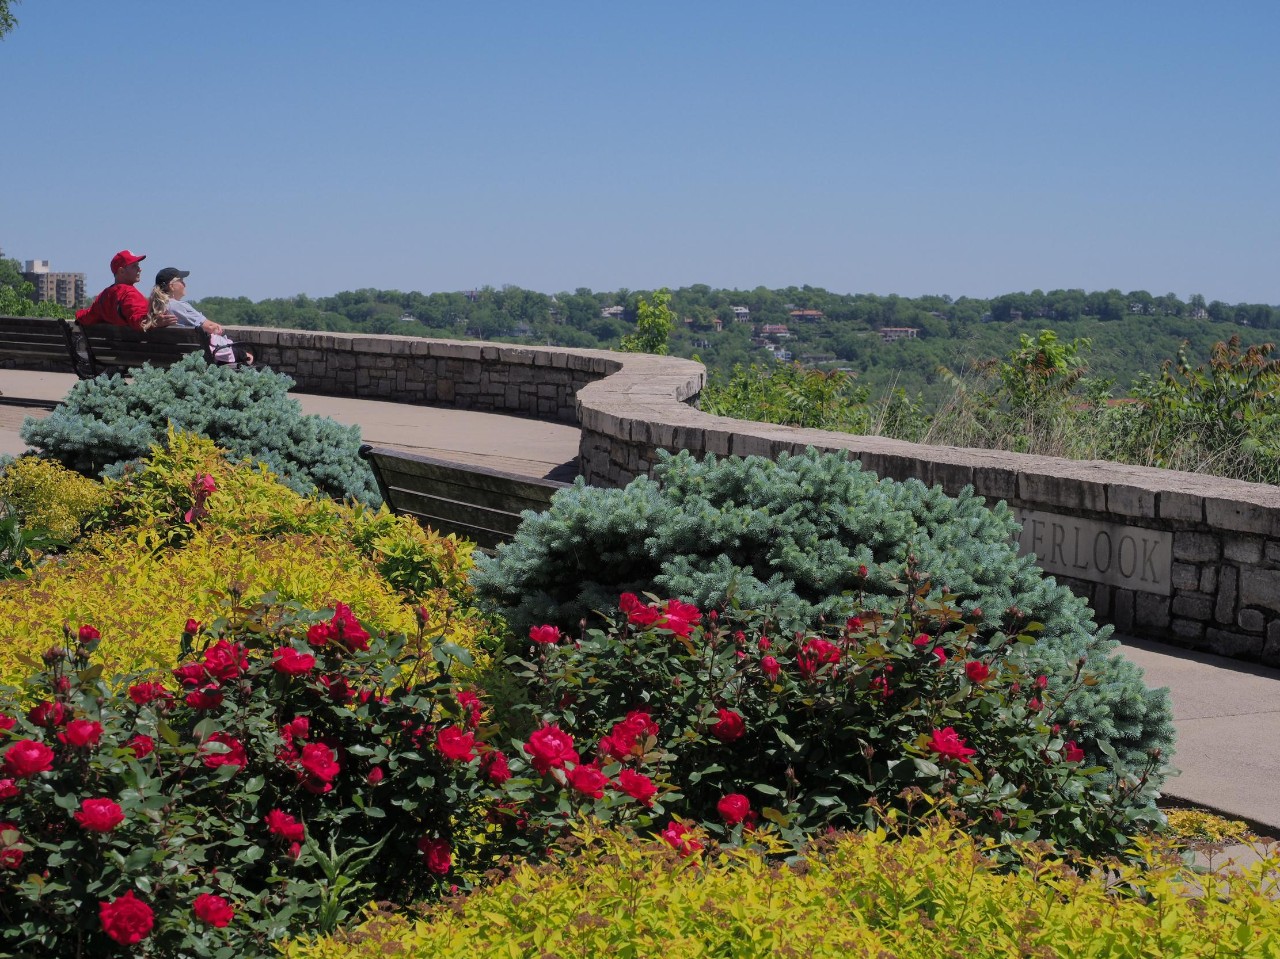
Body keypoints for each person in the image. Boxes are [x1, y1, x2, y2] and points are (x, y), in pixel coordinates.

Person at [148, 267, 253, 366]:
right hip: (201, 359)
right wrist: (216, 328)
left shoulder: (155, 307)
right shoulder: (178, 306)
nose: (185, 284)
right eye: (181, 281)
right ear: (171, 286)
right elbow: (211, 327)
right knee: (249, 356)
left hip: (169, 358)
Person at [76, 250, 176, 331]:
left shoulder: (104, 296)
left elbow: (87, 316)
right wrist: (155, 322)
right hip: (138, 348)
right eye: (134, 266)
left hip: (115, 347)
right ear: (121, 271)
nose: (139, 269)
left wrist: (78, 314)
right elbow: (137, 320)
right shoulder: (129, 294)